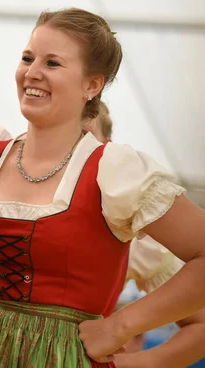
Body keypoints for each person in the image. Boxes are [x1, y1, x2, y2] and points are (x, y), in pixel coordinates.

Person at [0, 7, 205, 367]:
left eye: (52, 63)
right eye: (28, 58)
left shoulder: (115, 171)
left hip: (64, 357)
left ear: (92, 84)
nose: (32, 72)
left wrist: (121, 327)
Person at [85, 103, 205, 368]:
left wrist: (131, 364)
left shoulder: (134, 236)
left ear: (109, 150)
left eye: (84, 141)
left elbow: (201, 326)